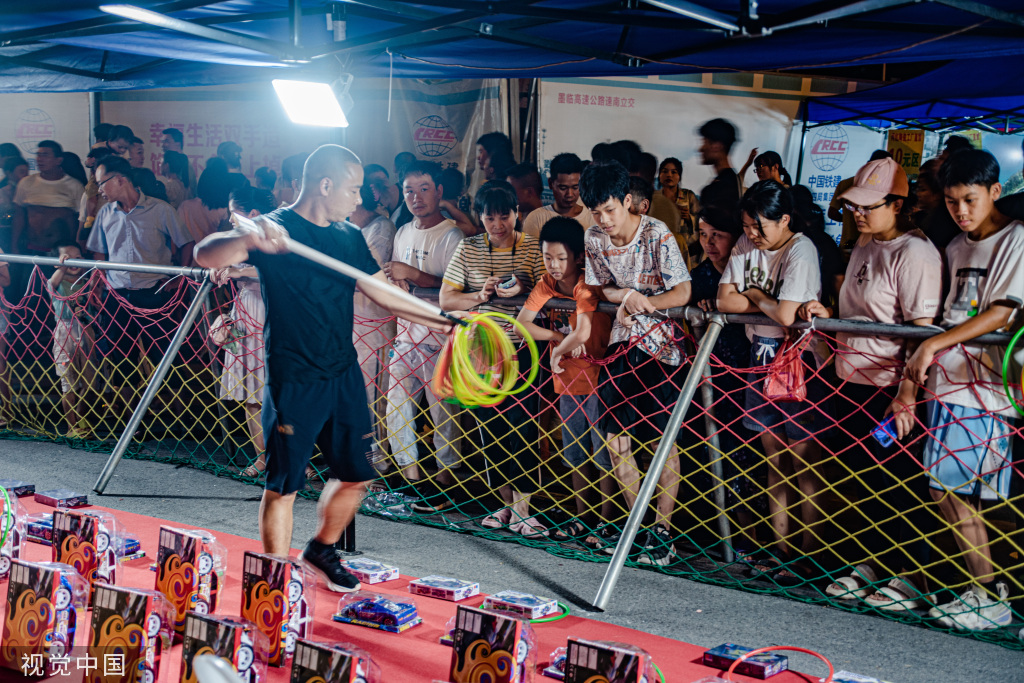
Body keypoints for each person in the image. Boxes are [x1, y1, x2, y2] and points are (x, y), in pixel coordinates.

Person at [194, 144, 456, 591]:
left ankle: (321, 548)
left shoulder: (347, 237)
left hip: (343, 371)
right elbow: (206, 254)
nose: (360, 199)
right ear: (326, 184)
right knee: (285, 485)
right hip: (294, 375)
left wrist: (446, 320)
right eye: (354, 189)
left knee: (358, 475)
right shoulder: (274, 228)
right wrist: (246, 240)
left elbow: (383, 293)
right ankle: (273, 580)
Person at [799, 158, 942, 610]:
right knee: (864, 481)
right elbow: (859, 309)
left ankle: (910, 575)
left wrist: (906, 394)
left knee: (901, 483)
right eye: (853, 206)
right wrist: (829, 317)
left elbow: (922, 334)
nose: (858, 214)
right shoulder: (864, 242)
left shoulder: (916, 253)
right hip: (851, 381)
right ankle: (869, 564)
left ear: (898, 204)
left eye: (868, 206)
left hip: (890, 390)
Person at [903, 149, 1022, 631]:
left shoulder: (1015, 239)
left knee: (959, 494)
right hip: (949, 384)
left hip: (985, 389)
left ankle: (990, 594)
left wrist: (933, 343)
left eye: (970, 200)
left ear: (995, 192)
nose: (961, 212)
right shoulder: (955, 246)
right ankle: (981, 590)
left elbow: (1002, 312)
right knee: (950, 492)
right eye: (952, 202)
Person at [717, 180, 833, 583]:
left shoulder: (801, 249)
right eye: (747, 226)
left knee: (804, 464)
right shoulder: (748, 244)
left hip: (798, 364)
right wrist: (767, 302)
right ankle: (783, 553)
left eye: (758, 226)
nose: (750, 234)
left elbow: (786, 316)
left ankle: (811, 557)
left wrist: (755, 294)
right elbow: (724, 301)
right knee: (774, 462)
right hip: (761, 358)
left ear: (784, 219)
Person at [581, 160, 691, 566]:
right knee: (615, 440)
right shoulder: (594, 238)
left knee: (663, 442)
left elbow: (683, 292)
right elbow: (600, 287)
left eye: (610, 209)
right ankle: (638, 526)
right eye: (596, 212)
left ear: (629, 202)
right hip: (621, 344)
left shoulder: (656, 233)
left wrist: (646, 303)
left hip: (661, 349)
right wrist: (624, 297)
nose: (604, 219)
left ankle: (663, 533)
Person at [440, 180, 547, 536]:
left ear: (518, 214)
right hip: (482, 348)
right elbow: (446, 299)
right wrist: (479, 295)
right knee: (491, 427)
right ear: (480, 217)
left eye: (505, 216)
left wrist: (526, 290)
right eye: (490, 217)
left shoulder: (533, 247)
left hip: (523, 349)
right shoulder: (469, 248)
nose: (498, 225)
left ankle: (524, 510)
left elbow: (552, 291)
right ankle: (504, 506)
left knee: (524, 426)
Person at [517, 216, 614, 547]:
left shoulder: (586, 284)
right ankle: (583, 516)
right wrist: (557, 336)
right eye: (548, 257)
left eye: (560, 258)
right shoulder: (546, 284)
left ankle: (607, 520)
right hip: (567, 382)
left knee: (603, 455)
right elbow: (521, 325)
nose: (554, 265)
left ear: (577, 257)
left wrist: (559, 348)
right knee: (573, 453)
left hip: (599, 379)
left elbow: (584, 332)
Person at [383, 161, 466, 510]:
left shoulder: (452, 235)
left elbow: (457, 287)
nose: (416, 197)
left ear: (439, 192)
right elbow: (395, 276)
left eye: (424, 189)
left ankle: (447, 485)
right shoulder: (402, 231)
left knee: (444, 416)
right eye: (409, 191)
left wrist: (413, 274)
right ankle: (411, 479)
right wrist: (395, 278)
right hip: (405, 335)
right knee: (397, 410)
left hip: (440, 338)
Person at [86, 155, 194, 411]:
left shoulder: (160, 209)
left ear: (120, 179)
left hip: (154, 292)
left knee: (165, 351)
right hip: (117, 293)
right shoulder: (105, 213)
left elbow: (186, 243)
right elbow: (98, 251)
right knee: (120, 353)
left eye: (102, 183)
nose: (99, 189)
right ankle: (128, 417)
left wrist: (179, 277)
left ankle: (181, 416)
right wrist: (100, 281)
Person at [689, 206, 759, 552]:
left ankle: (750, 539)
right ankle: (712, 534)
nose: (709, 242)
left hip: (747, 371)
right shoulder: (698, 275)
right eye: (703, 234)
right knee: (709, 450)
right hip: (708, 376)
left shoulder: (749, 272)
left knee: (746, 455)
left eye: (717, 234)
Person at [211, 186, 277, 478]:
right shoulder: (237, 240)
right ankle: (262, 458)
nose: (230, 219)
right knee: (250, 392)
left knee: (279, 393)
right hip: (244, 312)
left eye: (233, 213)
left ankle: (293, 459)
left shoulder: (280, 235)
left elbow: (283, 271)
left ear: (253, 213)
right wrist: (218, 267)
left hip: (273, 311)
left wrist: (240, 272)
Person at [348, 166, 398, 474]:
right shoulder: (344, 229)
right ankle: (351, 460)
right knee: (352, 396)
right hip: (348, 326)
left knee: (374, 398)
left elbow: (363, 277)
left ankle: (377, 466)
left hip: (374, 328)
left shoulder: (381, 229)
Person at [46, 242, 97, 439]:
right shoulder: (56, 283)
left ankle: (83, 419)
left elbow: (95, 300)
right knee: (68, 381)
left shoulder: (87, 281)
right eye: (67, 258)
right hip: (64, 331)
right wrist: (62, 266)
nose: (72, 263)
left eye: (77, 258)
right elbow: (53, 281)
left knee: (89, 380)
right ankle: (71, 425)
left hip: (86, 330)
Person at [12, 140, 85, 254]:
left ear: (58, 160)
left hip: (63, 252)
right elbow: (19, 215)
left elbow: (81, 221)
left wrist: (79, 248)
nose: (40, 159)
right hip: (32, 249)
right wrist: (14, 245)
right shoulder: (26, 183)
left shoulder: (74, 186)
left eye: (45, 155)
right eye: (38, 155)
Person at [829, 150, 891, 255]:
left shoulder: (846, 184)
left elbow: (832, 213)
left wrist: (849, 220)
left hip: (848, 244)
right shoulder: (886, 190)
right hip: (871, 247)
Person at [522, 153, 593, 238]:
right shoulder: (536, 218)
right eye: (563, 188)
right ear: (550, 183)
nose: (569, 194)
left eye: (575, 187)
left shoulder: (592, 220)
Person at [177, 160, 241, 249]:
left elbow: (178, 234)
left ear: (202, 182)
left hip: (188, 257)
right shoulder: (225, 210)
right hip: (214, 256)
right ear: (224, 185)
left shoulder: (185, 206)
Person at [657, 157, 700, 264]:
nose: (669, 175)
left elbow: (701, 221)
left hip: (686, 250)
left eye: (674, 172)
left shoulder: (688, 196)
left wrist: (689, 218)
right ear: (659, 176)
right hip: (660, 251)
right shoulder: (655, 198)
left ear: (679, 177)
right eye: (665, 171)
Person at [698, 118, 741, 210]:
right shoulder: (732, 180)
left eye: (704, 142)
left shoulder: (720, 188)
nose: (700, 149)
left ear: (717, 146)